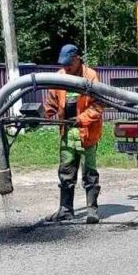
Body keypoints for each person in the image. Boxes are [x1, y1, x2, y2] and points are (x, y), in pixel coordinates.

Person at [44, 44, 104, 223]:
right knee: (66, 171)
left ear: (77, 59)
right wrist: (39, 116)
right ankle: (65, 210)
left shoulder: (90, 76)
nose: (66, 68)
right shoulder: (59, 77)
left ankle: (92, 210)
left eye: (69, 64)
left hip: (86, 134)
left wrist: (81, 119)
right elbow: (51, 104)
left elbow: (98, 105)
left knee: (89, 172)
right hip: (67, 134)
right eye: (64, 64)